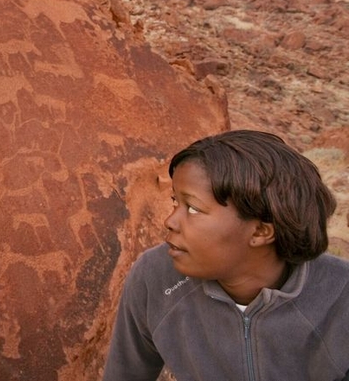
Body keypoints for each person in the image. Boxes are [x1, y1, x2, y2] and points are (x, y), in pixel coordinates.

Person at [102, 130, 349, 381]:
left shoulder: (342, 294)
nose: (170, 221)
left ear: (261, 231)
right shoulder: (156, 276)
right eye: (175, 202)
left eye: (194, 208)